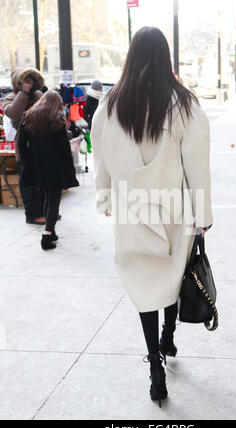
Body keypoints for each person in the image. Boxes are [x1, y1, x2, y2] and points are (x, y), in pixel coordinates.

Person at [91, 27, 213, 406]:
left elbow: (101, 154)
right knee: (172, 275)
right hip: (173, 209)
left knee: (144, 287)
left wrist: (105, 194)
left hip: (130, 212)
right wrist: (203, 213)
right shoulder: (184, 104)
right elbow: (198, 165)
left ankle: (155, 365)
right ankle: (170, 335)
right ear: (166, 57)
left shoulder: (110, 104)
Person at [18, 91, 79, 250]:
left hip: (35, 165)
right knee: (53, 201)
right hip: (54, 166)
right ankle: (47, 234)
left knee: (46, 197)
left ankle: (50, 233)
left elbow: (20, 143)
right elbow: (64, 148)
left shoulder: (27, 116)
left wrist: (26, 161)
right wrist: (68, 168)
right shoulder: (57, 120)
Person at [3, 68, 46, 225]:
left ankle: (45, 210)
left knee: (43, 181)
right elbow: (13, 113)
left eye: (32, 80)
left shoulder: (39, 96)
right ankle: (33, 215)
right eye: (26, 80)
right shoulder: (11, 97)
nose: (30, 83)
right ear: (19, 82)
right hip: (24, 147)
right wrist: (23, 93)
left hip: (42, 145)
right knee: (28, 182)